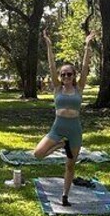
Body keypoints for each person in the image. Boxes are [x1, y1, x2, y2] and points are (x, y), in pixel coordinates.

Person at [32, 29, 96, 206]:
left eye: (69, 74)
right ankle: (62, 144)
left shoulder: (79, 88)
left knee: (70, 165)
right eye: (63, 74)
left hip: (74, 129)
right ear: (60, 77)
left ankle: (65, 196)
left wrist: (87, 45)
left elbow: (85, 67)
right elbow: (52, 66)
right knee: (38, 154)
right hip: (58, 127)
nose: (66, 76)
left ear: (74, 76)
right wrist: (49, 45)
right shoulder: (57, 89)